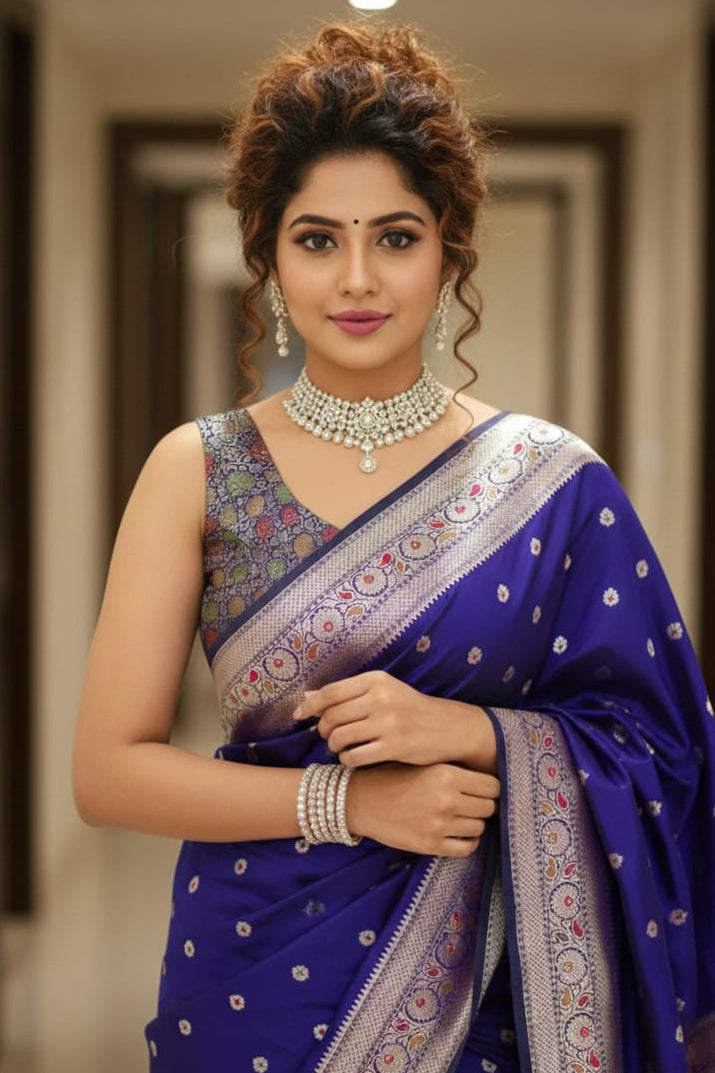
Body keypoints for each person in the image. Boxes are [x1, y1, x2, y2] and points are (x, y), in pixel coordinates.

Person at [73, 21, 715, 1073]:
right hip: (251, 974)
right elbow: (108, 772)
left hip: (498, 991)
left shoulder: (549, 481)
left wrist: (469, 729)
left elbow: (666, 754)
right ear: (271, 259)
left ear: (449, 246)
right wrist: (350, 800)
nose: (358, 278)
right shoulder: (198, 467)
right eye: (318, 238)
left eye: (398, 236)